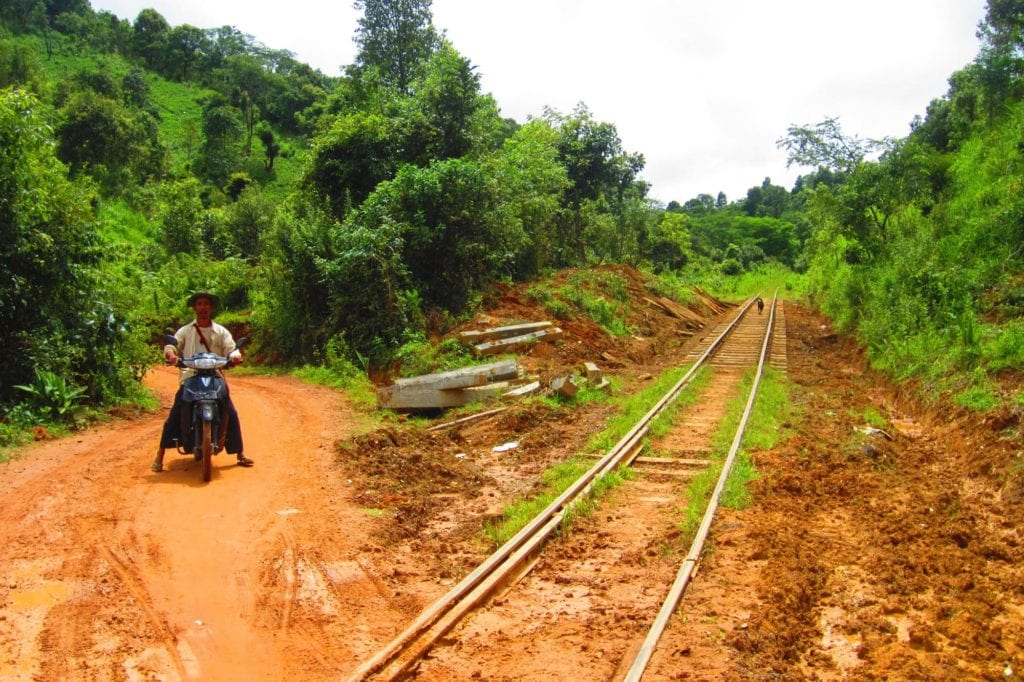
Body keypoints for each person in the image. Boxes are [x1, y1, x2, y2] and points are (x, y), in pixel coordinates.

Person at [151, 292, 254, 472]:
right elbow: (172, 345)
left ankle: (240, 453)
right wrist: (171, 355)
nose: (203, 307)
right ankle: (159, 455)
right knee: (176, 411)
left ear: (211, 308)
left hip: (215, 376)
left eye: (206, 304)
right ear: (194, 308)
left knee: (231, 411)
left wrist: (235, 357)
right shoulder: (185, 330)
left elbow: (232, 349)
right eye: (199, 304)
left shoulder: (221, 331)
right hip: (190, 376)